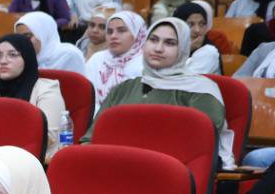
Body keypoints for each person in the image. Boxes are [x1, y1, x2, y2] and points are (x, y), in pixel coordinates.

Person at [84, 17, 225, 143]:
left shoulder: (202, 91)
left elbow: (199, 146)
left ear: (182, 49)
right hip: (114, 160)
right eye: (153, 40)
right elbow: (92, 137)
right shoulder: (124, 88)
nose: (158, 49)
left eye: (170, 43)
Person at [0, 33, 67, 157]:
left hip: (31, 160)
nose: (3, 61)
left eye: (13, 55)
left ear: (27, 58)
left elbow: (47, 137)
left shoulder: (47, 90)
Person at [82, 9, 146, 107]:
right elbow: (85, 97)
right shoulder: (97, 59)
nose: (113, 36)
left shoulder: (146, 64)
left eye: (121, 30)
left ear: (137, 34)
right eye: (109, 31)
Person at [15, 10, 85, 72]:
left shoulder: (69, 55)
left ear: (44, 35)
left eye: (28, 36)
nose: (22, 42)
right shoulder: (20, 60)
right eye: (19, 38)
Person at [176, 1, 223, 74]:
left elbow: (184, 79)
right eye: (190, 24)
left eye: (202, 24)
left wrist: (185, 50)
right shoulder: (169, 46)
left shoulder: (209, 52)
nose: (197, 30)